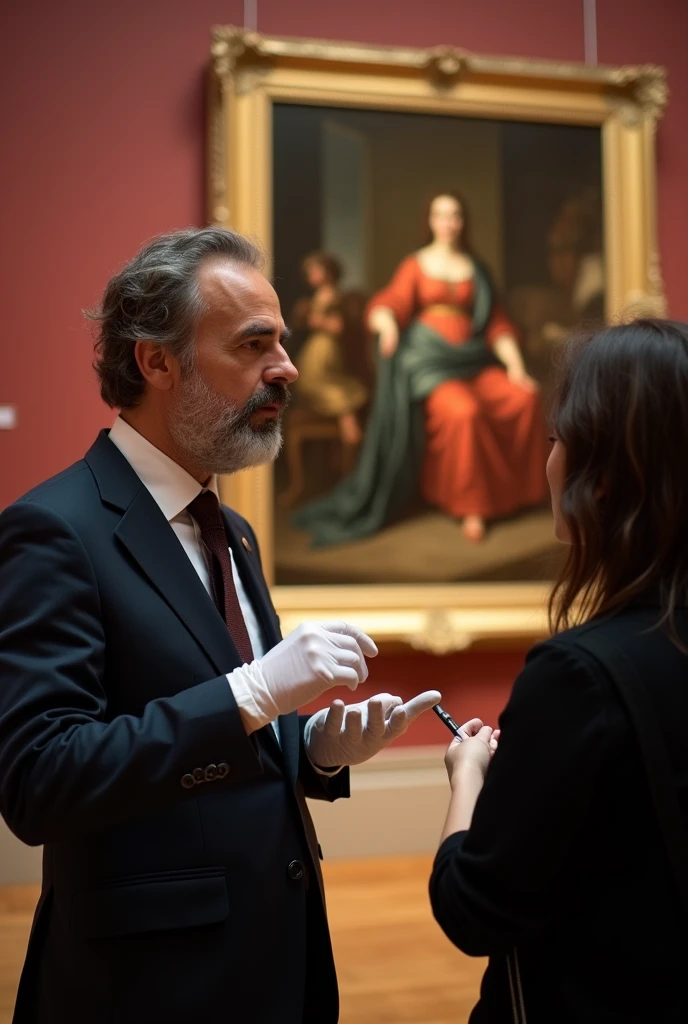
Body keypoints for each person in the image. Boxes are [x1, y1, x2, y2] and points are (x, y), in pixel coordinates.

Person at [0, 227, 441, 1024]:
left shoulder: (229, 530)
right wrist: (251, 691)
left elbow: (231, 739)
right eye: (255, 344)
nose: (288, 367)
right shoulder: (53, 529)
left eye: (284, 341)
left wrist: (312, 748)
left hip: (275, 955)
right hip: (149, 982)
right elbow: (41, 782)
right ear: (156, 362)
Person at [429, 318, 688, 1022]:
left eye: (554, 440)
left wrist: (470, 778)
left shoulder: (578, 676)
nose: (548, 461)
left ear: (601, 478)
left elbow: (472, 910)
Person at [295, 191, 548, 547]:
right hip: (431, 366)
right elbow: (390, 302)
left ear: (463, 221)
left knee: (523, 398)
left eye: (455, 215)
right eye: (441, 215)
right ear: (430, 221)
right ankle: (471, 507)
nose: (448, 222)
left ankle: (514, 497)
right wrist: (388, 324)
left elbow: (497, 324)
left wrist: (517, 369)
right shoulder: (415, 265)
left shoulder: (477, 269)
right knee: (465, 413)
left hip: (475, 361)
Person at [294, 300, 368, 446]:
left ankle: (350, 432)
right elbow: (316, 373)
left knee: (354, 388)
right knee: (340, 394)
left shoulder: (331, 341)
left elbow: (333, 371)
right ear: (325, 320)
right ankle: (350, 431)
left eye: (340, 321)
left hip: (325, 381)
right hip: (313, 385)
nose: (339, 325)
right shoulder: (321, 341)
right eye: (334, 320)